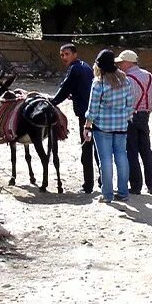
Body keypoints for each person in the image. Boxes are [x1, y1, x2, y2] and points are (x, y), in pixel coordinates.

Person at [85, 49, 139, 202]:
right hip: (121, 126)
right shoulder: (125, 80)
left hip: (102, 127)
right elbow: (130, 104)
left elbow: (93, 109)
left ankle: (107, 195)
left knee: (106, 161)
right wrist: (125, 117)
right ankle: (123, 193)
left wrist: (87, 126)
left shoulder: (98, 83)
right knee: (122, 157)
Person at [50, 43, 95, 193]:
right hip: (94, 113)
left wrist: (53, 102)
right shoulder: (86, 66)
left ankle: (88, 186)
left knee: (86, 149)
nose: (64, 57)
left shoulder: (75, 68)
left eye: (66, 54)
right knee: (97, 149)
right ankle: (101, 181)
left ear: (74, 54)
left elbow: (65, 87)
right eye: (62, 55)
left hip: (86, 116)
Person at [117, 49, 152, 195]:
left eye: (121, 63)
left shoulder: (127, 79)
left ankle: (135, 186)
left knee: (131, 152)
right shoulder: (148, 76)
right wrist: (147, 111)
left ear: (128, 63)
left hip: (131, 117)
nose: (120, 66)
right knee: (146, 150)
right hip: (144, 115)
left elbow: (127, 101)